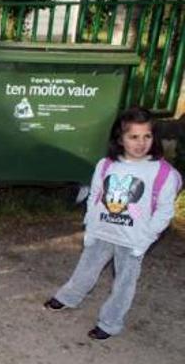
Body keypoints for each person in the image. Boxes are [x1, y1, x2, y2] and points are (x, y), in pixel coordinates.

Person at [43, 107, 182, 340]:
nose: (141, 143)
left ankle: (110, 322)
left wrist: (145, 239)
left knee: (124, 285)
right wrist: (91, 225)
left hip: (133, 241)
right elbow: (96, 196)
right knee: (85, 268)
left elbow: (165, 211)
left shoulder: (164, 173)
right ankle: (69, 297)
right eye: (133, 137)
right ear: (120, 138)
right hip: (103, 231)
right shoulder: (106, 165)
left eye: (146, 136)